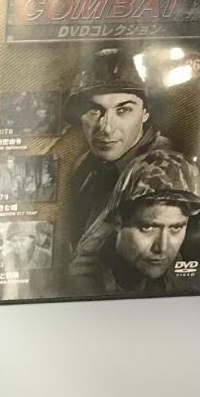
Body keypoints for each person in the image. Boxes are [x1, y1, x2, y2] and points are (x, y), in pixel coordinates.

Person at [63, 46, 171, 252]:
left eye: (123, 110)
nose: (106, 128)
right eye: (94, 110)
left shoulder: (169, 170)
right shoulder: (86, 165)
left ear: (145, 113)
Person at [68, 149, 200, 295]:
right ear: (118, 221)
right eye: (148, 227)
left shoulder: (184, 279)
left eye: (176, 227)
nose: (162, 247)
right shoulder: (84, 288)